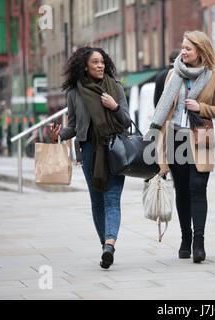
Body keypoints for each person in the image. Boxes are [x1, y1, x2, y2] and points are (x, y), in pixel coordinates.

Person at [147, 31, 215, 263]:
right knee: (182, 189)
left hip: (201, 136)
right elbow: (163, 106)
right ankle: (185, 238)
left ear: (200, 51)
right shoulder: (174, 73)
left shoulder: (214, 77)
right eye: (182, 47)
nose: (183, 51)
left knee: (198, 188)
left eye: (188, 49)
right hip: (175, 137)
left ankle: (199, 242)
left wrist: (200, 107)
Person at [49, 47, 131, 269]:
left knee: (112, 199)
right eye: (95, 62)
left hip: (115, 149)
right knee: (97, 202)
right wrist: (59, 135)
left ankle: (109, 246)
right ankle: (105, 245)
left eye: (102, 62)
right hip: (88, 151)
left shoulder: (115, 88)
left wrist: (114, 107)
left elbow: (126, 121)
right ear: (84, 66)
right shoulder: (74, 93)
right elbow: (74, 126)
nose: (100, 65)